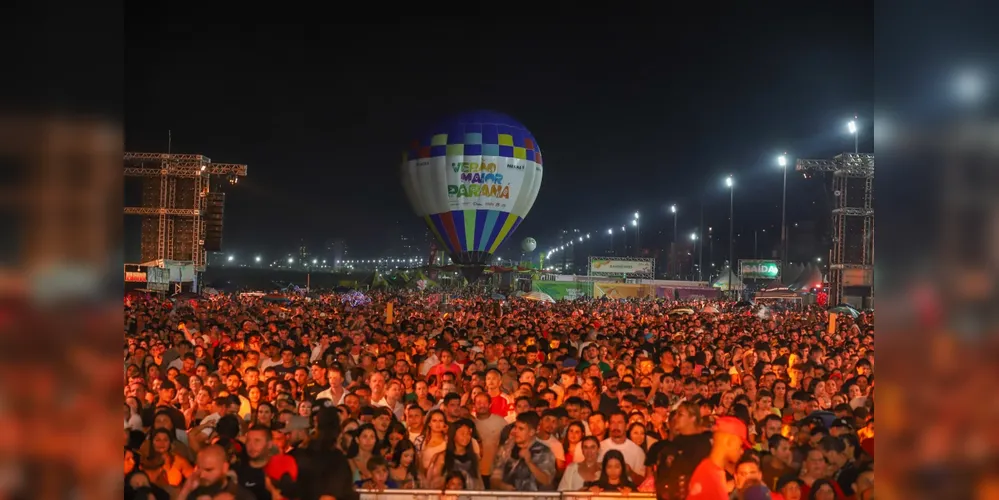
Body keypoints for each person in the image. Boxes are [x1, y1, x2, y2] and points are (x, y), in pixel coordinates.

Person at [687, 416, 752, 499]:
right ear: (730, 442)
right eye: (740, 446)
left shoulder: (713, 471)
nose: (742, 451)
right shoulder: (709, 475)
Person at [490, 412, 557, 491]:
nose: (516, 431)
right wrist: (502, 486)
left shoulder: (544, 452)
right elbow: (494, 477)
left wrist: (529, 462)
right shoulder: (506, 448)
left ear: (531, 432)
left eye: (521, 429)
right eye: (515, 427)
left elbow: (547, 481)